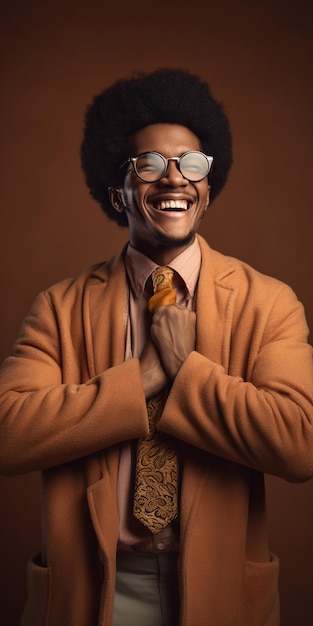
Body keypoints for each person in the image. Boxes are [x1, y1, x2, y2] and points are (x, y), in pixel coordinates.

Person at [0, 67, 313, 626]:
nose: (175, 181)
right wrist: (140, 379)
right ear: (117, 189)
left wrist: (185, 370)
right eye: (149, 165)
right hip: (92, 590)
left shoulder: (269, 303)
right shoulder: (60, 306)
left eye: (192, 165)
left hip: (222, 593)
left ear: (208, 185)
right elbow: (7, 433)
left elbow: (300, 443)